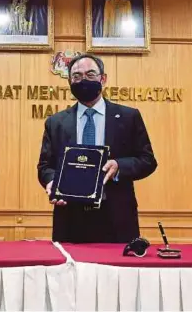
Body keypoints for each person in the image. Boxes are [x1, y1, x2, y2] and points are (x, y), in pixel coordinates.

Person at [37, 54, 157, 243]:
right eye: (76, 76)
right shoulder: (56, 122)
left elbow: (148, 160)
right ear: (69, 82)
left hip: (117, 216)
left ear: (103, 78)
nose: (83, 80)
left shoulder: (128, 117)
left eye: (90, 74)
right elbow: (45, 166)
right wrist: (53, 182)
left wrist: (119, 165)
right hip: (70, 216)